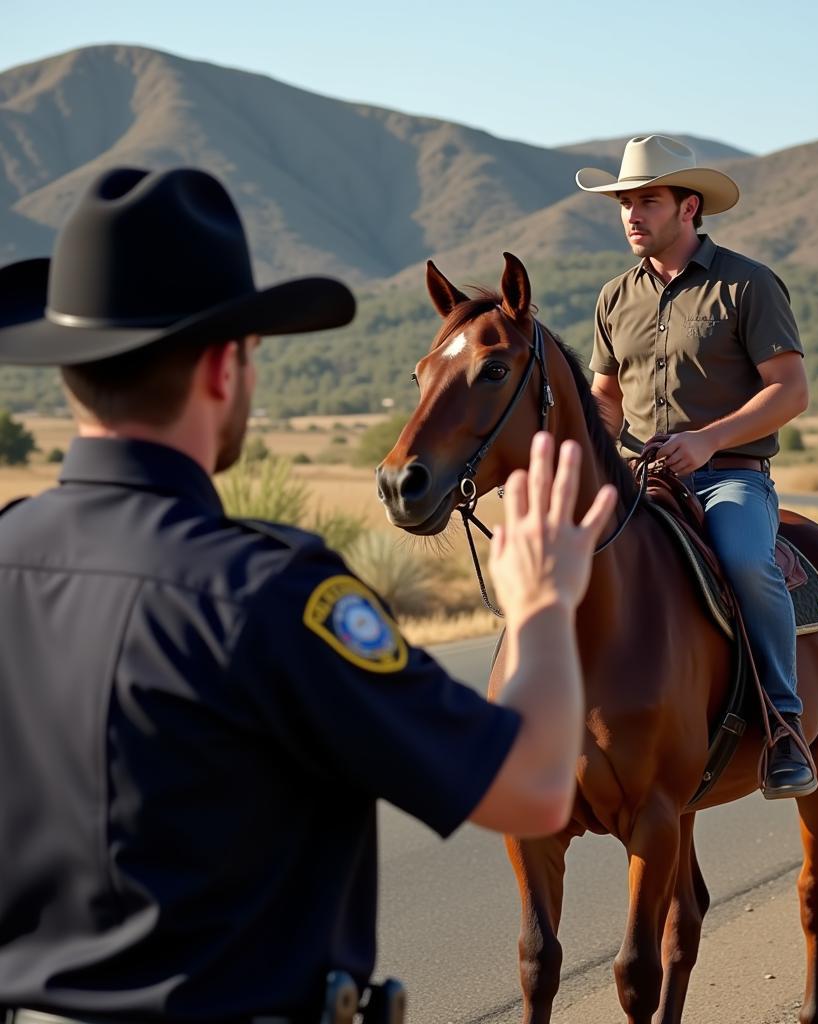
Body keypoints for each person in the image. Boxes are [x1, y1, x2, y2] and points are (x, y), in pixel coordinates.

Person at [0, 167, 617, 1023]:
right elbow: (535, 790)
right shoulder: (268, 596)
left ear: (70, 372)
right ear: (225, 366)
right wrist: (544, 604)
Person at [575, 135, 816, 799]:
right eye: (625, 202)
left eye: (646, 200)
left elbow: (790, 391)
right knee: (562, 555)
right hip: (638, 478)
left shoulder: (748, 284)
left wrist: (708, 441)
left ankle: (784, 724)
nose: (631, 214)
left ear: (689, 206)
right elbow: (605, 398)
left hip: (729, 477)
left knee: (744, 562)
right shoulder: (614, 297)